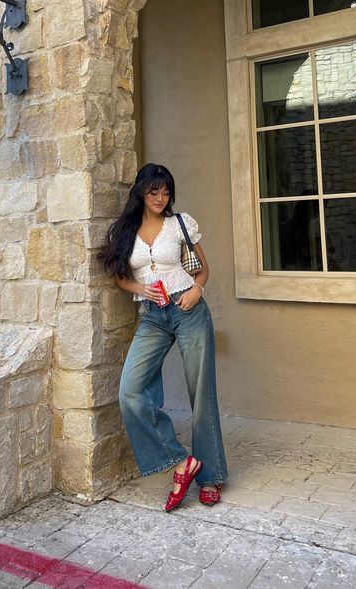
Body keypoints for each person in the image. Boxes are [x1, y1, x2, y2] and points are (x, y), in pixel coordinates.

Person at [101, 163, 228, 511]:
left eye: (166, 191)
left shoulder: (180, 224)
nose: (160, 198)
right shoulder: (125, 230)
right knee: (130, 391)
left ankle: (211, 477)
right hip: (153, 316)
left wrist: (197, 291)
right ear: (142, 192)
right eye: (154, 191)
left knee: (200, 393)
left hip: (188, 309)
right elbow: (120, 278)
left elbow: (203, 268)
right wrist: (141, 287)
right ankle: (182, 460)